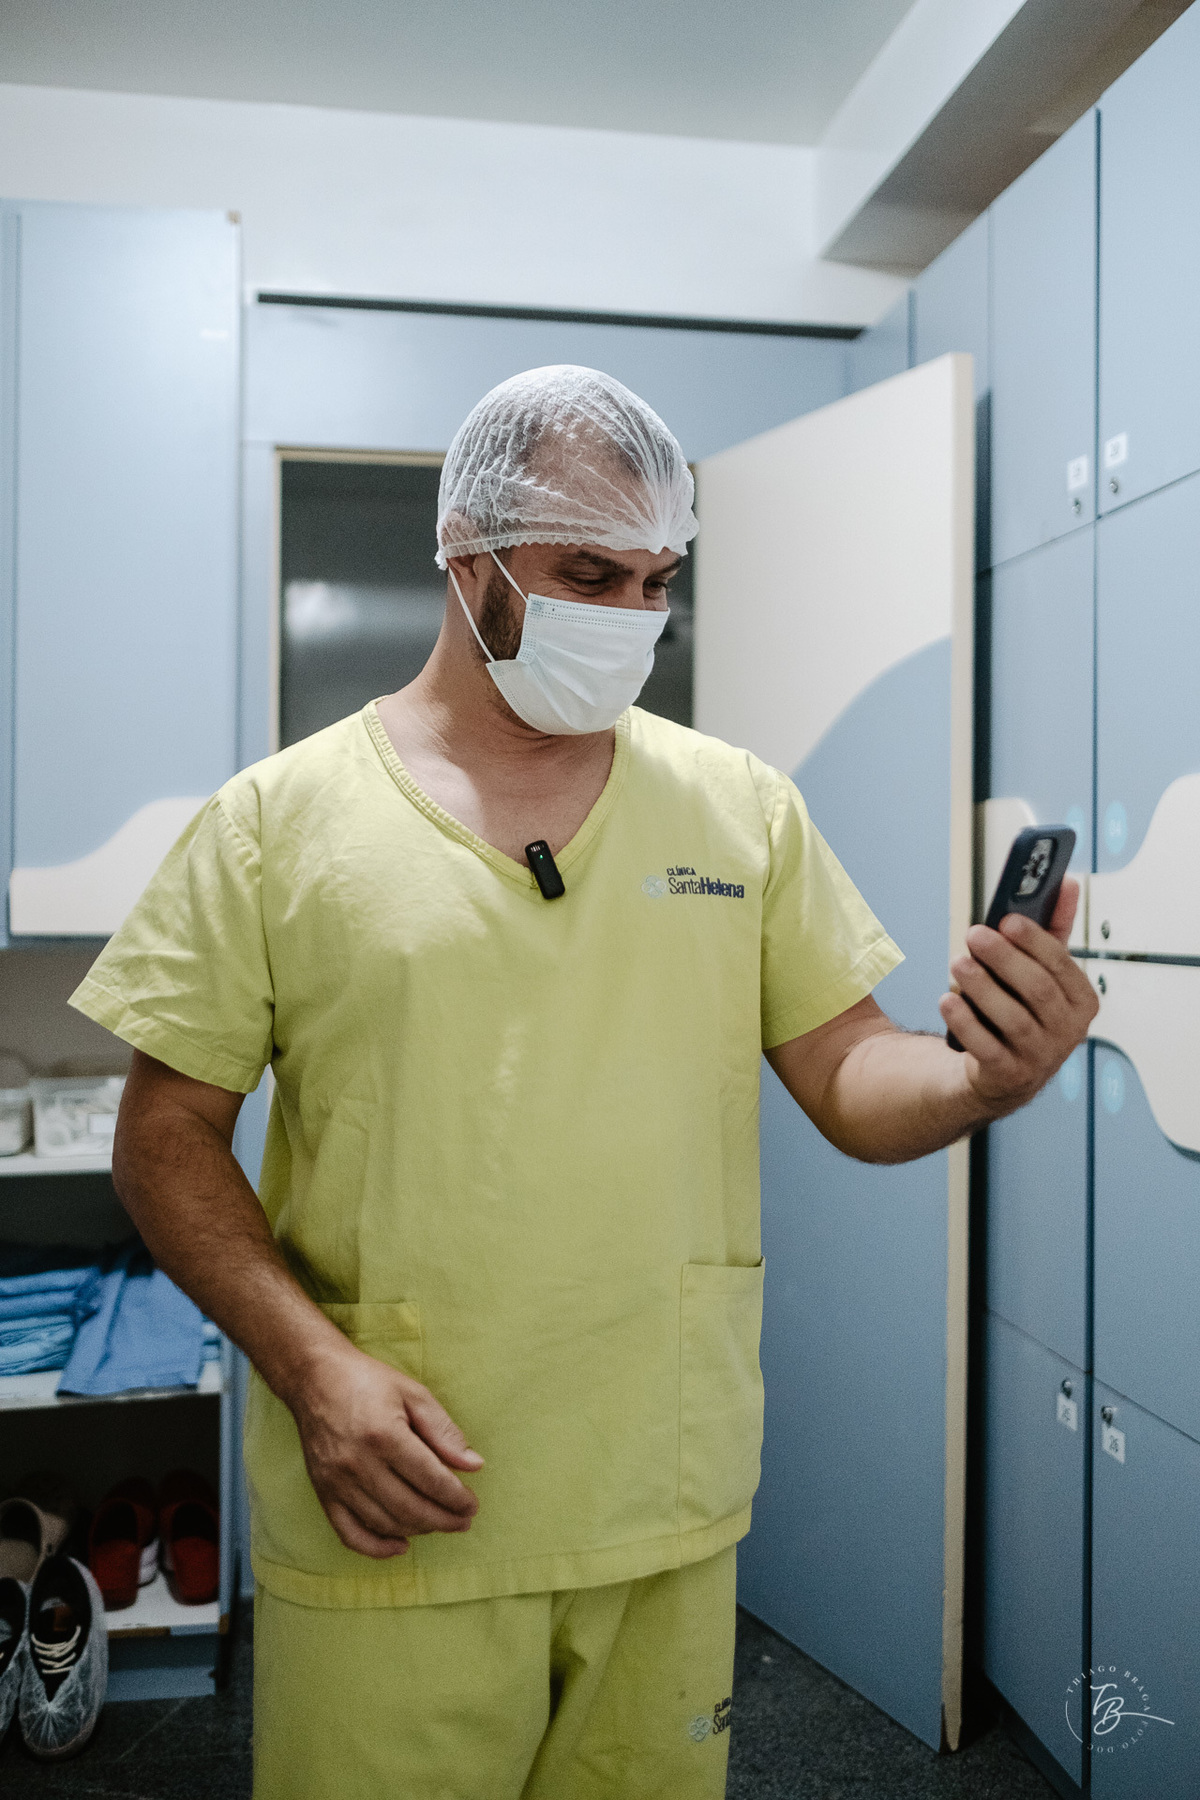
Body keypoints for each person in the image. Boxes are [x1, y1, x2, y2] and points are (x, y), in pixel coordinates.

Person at [71, 365, 1097, 1800]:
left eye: (656, 581)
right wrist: (311, 1370)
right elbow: (165, 1140)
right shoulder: (275, 825)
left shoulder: (738, 810)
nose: (629, 617)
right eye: (587, 576)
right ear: (466, 555)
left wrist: (980, 1079)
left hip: (655, 1491)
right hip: (397, 1494)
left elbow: (851, 1071)